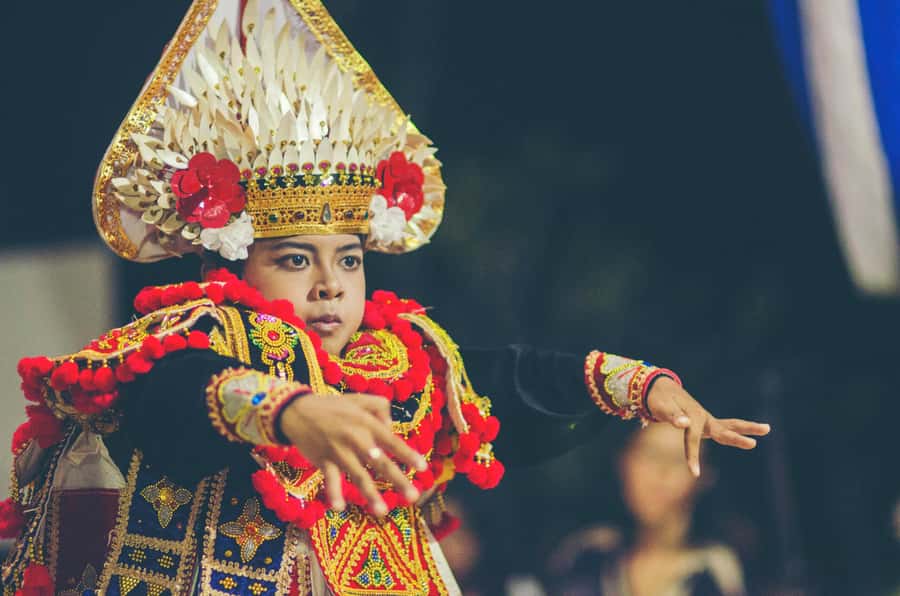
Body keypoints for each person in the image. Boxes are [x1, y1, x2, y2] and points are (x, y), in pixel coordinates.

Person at [0, 1, 769, 593]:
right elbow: (173, 402)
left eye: (350, 259)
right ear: (237, 264)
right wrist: (289, 410)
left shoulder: (395, 363)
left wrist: (643, 387)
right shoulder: (194, 338)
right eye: (297, 259)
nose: (331, 284)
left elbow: (502, 384)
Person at [549, 423, 747, 596]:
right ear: (623, 462)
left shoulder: (716, 573)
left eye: (679, 459)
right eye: (649, 454)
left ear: (706, 477)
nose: (660, 474)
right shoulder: (586, 555)